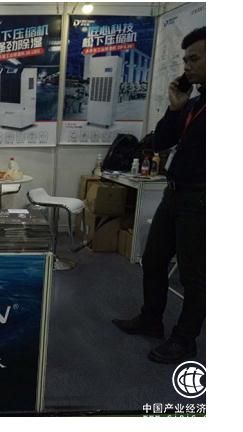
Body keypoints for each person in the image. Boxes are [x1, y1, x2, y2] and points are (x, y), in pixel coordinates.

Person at [113, 27, 206, 364]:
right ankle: (151, 319)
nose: (187, 66)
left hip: (202, 200)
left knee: (194, 275)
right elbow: (162, 141)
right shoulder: (193, 104)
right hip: (175, 194)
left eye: (194, 59)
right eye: (185, 60)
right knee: (153, 259)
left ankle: (184, 340)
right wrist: (175, 107)